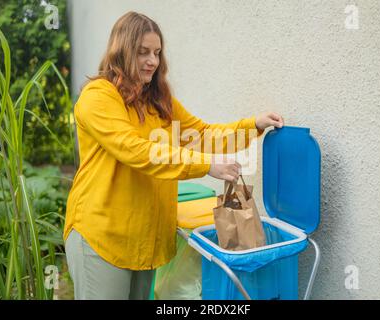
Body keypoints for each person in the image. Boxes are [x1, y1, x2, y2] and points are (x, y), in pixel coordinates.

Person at [63, 11, 284, 300]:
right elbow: (137, 150)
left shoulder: (158, 101)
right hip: (101, 235)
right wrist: (205, 166)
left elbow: (202, 135)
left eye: (156, 53)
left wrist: (252, 126)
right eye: (142, 53)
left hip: (143, 239)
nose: (152, 61)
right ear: (122, 51)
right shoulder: (98, 97)